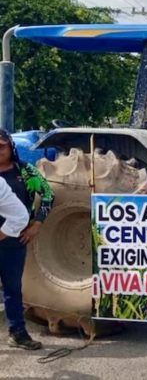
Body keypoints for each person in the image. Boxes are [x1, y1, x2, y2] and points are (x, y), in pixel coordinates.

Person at [0, 129, 55, 350]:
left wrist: (37, 225)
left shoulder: (25, 170)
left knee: (12, 288)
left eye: (1, 146)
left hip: (14, 239)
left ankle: (18, 332)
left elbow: (49, 194)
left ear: (11, 146)